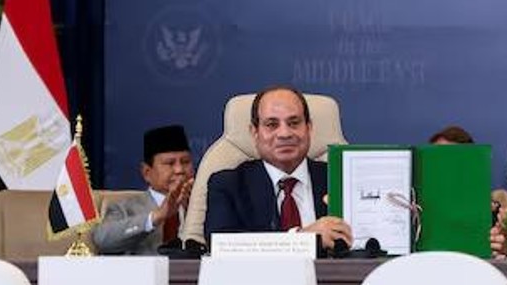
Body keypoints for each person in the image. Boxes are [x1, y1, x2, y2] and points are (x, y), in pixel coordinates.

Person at [204, 86, 353, 252]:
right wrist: (305, 238)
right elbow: (222, 245)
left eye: (294, 123)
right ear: (254, 132)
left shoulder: (341, 180)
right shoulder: (229, 185)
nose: (284, 133)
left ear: (309, 127)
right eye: (272, 124)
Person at [93, 124, 195, 255]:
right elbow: (102, 240)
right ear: (147, 172)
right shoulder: (124, 208)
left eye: (185, 162)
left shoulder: (205, 205)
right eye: (169, 163)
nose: (179, 170)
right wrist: (156, 217)